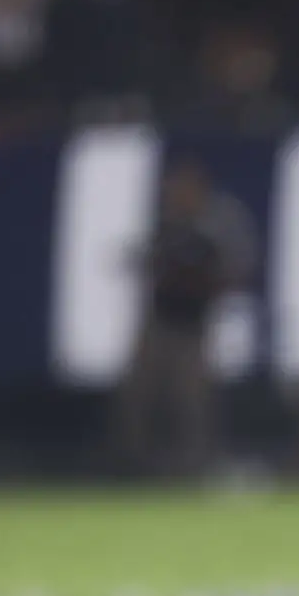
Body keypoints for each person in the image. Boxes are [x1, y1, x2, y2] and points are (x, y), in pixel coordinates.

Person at [115, 159, 254, 479]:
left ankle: (193, 466)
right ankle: (133, 465)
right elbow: (141, 261)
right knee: (139, 394)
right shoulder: (165, 226)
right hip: (159, 322)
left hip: (193, 325)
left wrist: (194, 281)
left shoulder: (216, 228)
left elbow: (231, 273)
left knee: (191, 400)